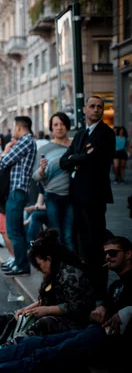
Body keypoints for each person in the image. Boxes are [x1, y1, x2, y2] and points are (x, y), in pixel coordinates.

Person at [0, 236, 132, 373]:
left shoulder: (71, 274)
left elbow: (78, 308)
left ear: (129, 254)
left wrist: (122, 313)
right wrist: (104, 308)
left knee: (43, 353)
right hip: (94, 330)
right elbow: (102, 305)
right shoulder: (116, 285)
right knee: (32, 342)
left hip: (98, 335)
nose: (107, 257)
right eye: (105, 253)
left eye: (113, 253)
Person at [60, 95, 115, 299]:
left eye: (100, 107)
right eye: (92, 106)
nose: (96, 110)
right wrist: (79, 158)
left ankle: (99, 290)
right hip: (78, 196)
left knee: (95, 243)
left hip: (95, 196)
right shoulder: (82, 134)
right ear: (84, 109)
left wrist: (77, 158)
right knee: (83, 243)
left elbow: (96, 161)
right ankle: (89, 288)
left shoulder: (106, 134)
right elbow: (64, 161)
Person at [0, 116, 37, 277]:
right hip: (16, 191)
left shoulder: (26, 141)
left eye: (14, 127)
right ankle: (19, 261)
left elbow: (3, 161)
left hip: (17, 191)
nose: (13, 130)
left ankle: (21, 264)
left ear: (19, 128)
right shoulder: (26, 141)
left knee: (13, 230)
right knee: (17, 229)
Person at [32, 112, 74, 252]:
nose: (59, 127)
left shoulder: (75, 146)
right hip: (52, 197)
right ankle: (59, 269)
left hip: (72, 196)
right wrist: (42, 169)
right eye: (55, 124)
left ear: (67, 126)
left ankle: (73, 269)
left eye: (62, 124)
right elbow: (36, 177)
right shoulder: (44, 149)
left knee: (69, 235)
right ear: (51, 128)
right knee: (57, 234)